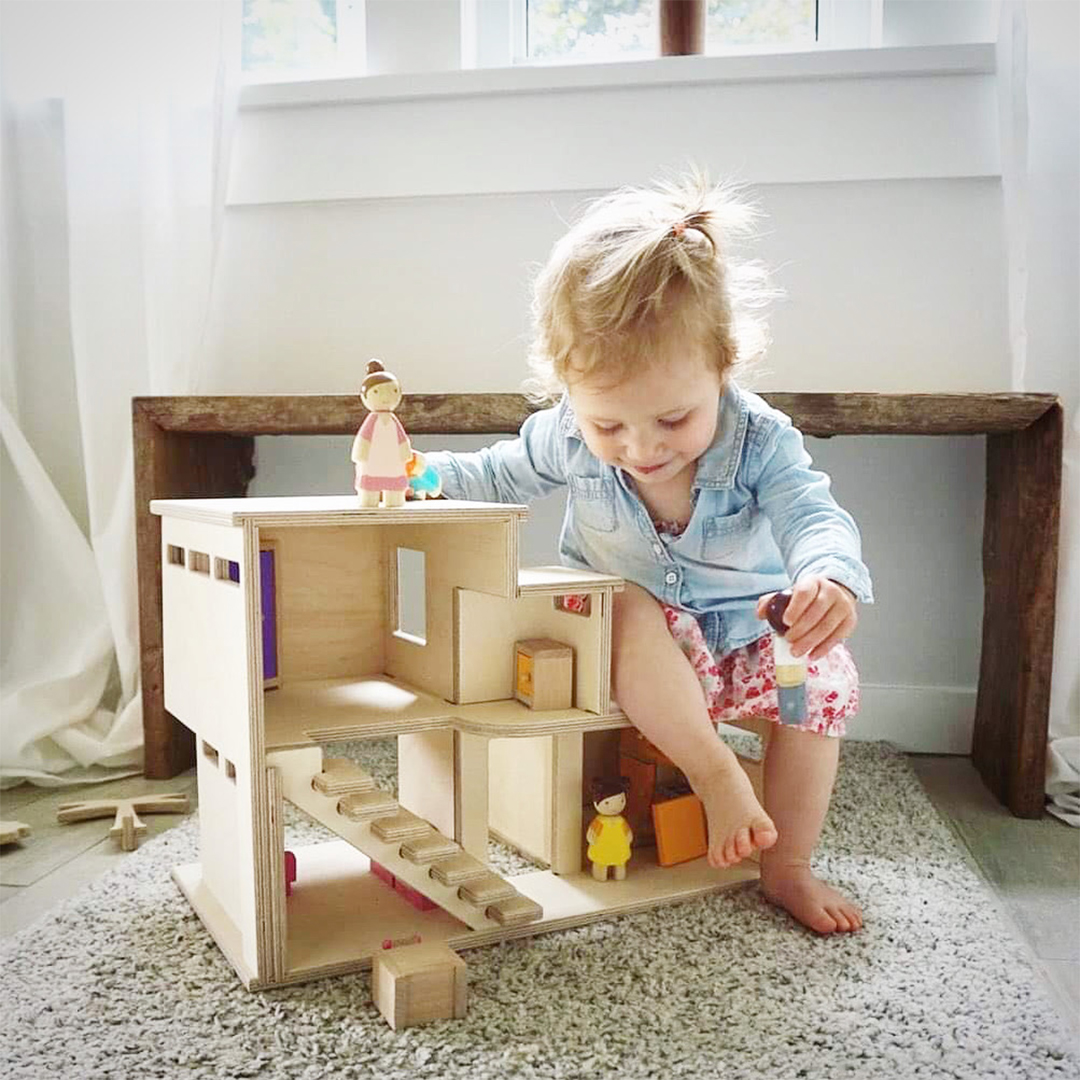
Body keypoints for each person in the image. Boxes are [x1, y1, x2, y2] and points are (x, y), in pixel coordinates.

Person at [424, 174, 873, 935]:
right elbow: (497, 473)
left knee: (816, 678)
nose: (640, 448)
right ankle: (715, 773)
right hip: (638, 650)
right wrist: (421, 476)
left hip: (751, 645)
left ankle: (787, 864)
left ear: (723, 365)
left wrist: (826, 578)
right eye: (609, 427)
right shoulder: (566, 430)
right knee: (621, 597)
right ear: (569, 395)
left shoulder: (760, 439)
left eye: (672, 418)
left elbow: (812, 513)